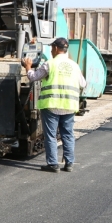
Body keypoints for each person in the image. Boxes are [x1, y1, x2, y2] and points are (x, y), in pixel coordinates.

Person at [22, 37, 87, 172]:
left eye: (52, 48)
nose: (51, 51)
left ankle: (53, 164)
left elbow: (33, 77)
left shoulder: (49, 64)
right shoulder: (74, 66)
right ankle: (69, 163)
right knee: (68, 135)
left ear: (56, 49)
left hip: (51, 104)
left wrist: (28, 67)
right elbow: (83, 84)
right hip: (69, 105)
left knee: (51, 136)